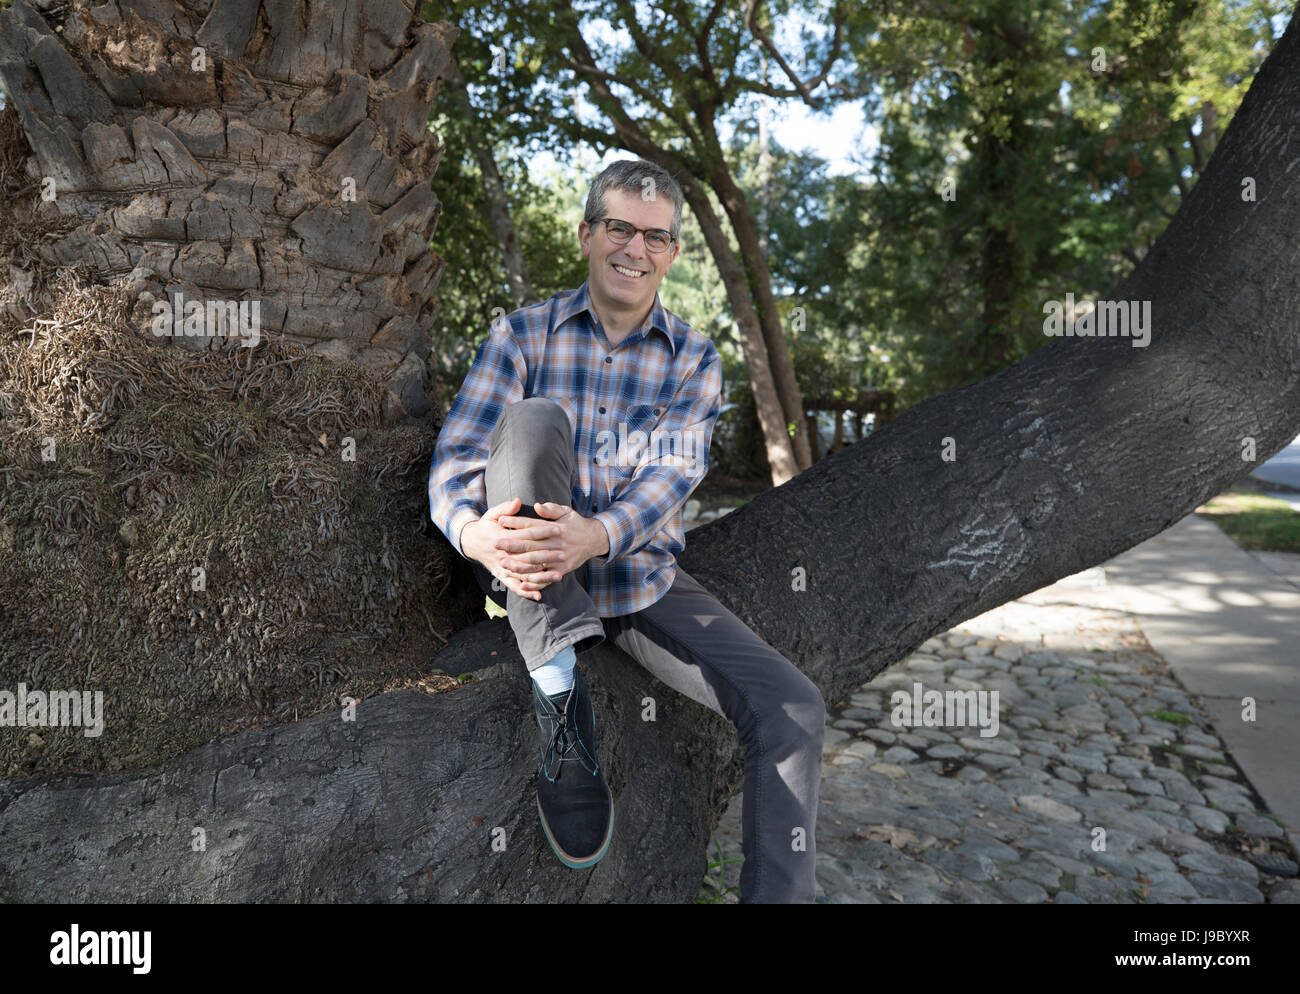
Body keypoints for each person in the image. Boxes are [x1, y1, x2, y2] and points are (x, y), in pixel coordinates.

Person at [427, 157, 826, 903]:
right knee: (535, 418)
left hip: (636, 577)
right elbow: (457, 454)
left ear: (673, 253)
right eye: (618, 227)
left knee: (793, 706)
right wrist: (469, 533)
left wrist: (598, 535)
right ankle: (560, 699)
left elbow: (673, 475)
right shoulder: (521, 335)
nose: (633, 249)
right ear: (586, 234)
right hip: (523, 563)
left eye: (655, 237)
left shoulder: (695, 359)